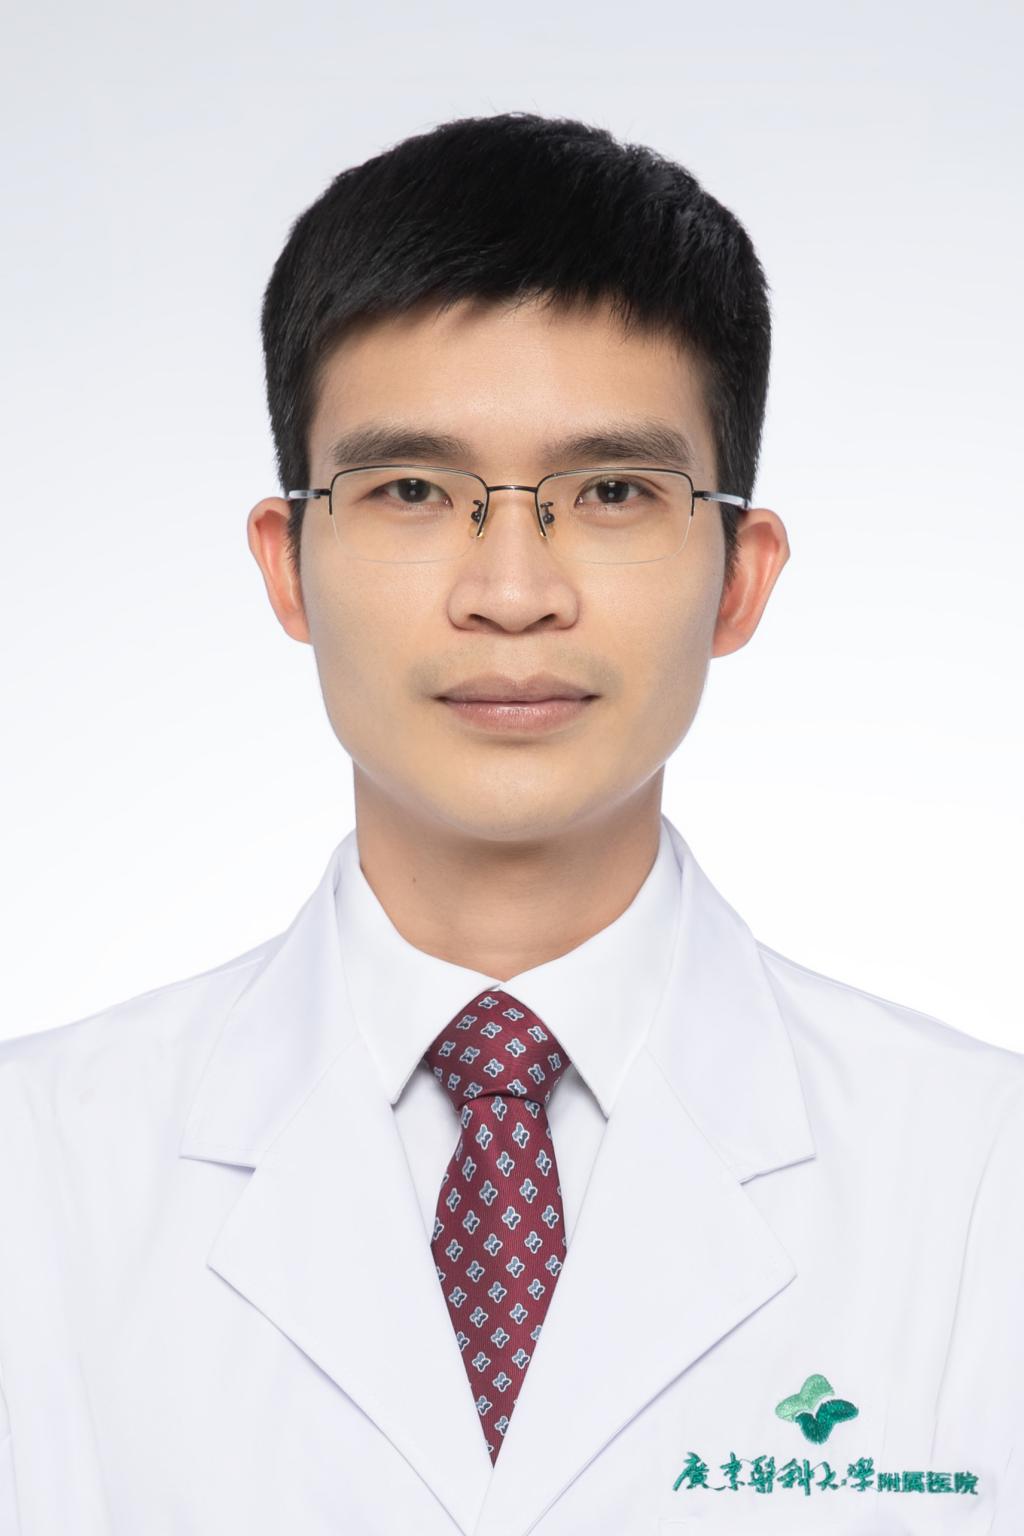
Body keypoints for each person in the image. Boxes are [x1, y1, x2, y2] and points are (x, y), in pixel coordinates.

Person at [0, 112, 1021, 1536]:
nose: (513, 592)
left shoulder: (983, 1176)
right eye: (414, 490)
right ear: (288, 567)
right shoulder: (34, 1170)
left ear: (740, 577)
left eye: (611, 492)